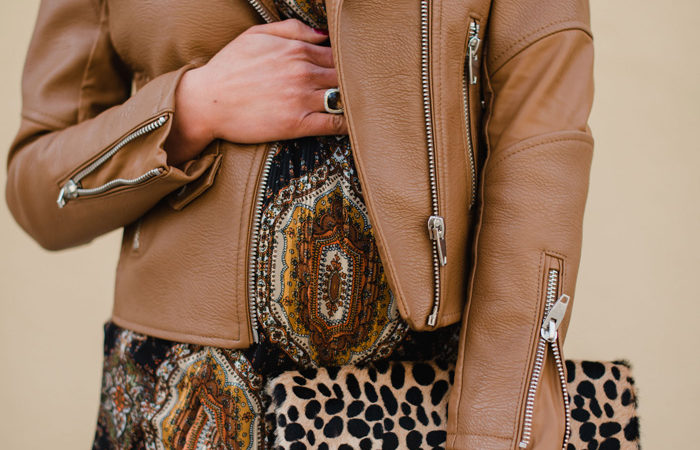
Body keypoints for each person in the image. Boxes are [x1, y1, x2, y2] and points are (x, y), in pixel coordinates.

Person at [5, 0, 594, 448]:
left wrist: (498, 427)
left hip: (422, 393)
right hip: (183, 400)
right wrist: (190, 108)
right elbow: (36, 189)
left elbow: (540, 150)